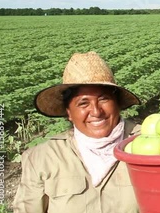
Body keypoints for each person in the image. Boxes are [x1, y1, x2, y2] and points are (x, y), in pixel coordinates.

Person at [13, 51, 141, 213]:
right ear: (69, 112)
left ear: (117, 103)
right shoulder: (42, 158)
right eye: (83, 103)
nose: (96, 111)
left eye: (103, 99)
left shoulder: (145, 147)